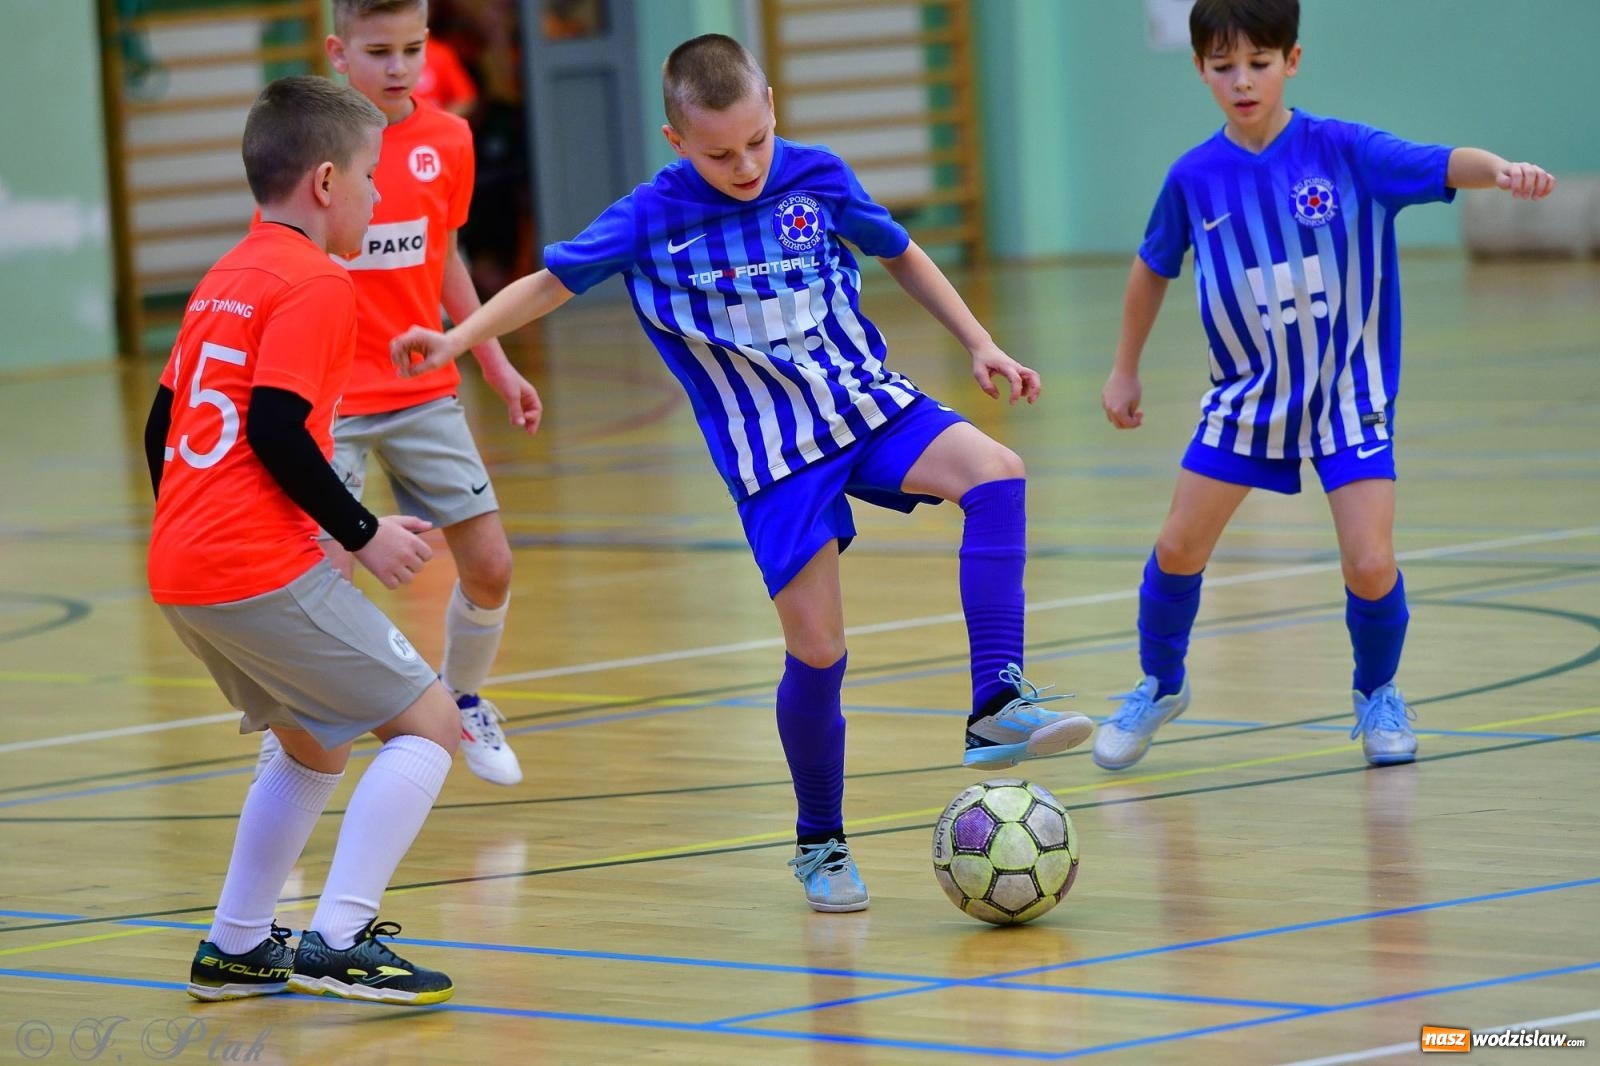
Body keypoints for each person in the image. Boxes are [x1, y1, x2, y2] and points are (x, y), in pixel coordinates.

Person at [390, 33, 1096, 913]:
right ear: (676, 139)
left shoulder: (817, 174)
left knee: (996, 472)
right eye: (721, 152)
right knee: (819, 649)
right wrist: (458, 342)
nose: (748, 163)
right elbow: (544, 284)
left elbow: (899, 251)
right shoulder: (650, 214)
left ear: (771, 110)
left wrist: (980, 341)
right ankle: (821, 842)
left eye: (758, 139)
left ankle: (997, 700)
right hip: (773, 456)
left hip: (864, 403)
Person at [1091, 0, 1555, 773]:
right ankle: (1160, 685)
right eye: (1222, 66)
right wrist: (1124, 367)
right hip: (1247, 399)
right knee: (1176, 547)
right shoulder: (1193, 178)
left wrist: (1499, 172)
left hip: (1348, 394)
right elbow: (1151, 269)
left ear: (1292, 62)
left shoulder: (1345, 151)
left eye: (1259, 64)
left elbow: (1444, 161)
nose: (1242, 81)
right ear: (1200, 68)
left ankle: (1377, 695)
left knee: (1370, 563)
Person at [147, 75, 456, 1004]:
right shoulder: (318, 281)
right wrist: (361, 533)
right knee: (431, 724)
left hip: (186, 569)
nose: (376, 197)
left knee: (314, 747)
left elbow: (163, 426)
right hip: (250, 566)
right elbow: (278, 428)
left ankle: (238, 945)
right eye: (369, 178)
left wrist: (197, 523)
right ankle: (340, 936)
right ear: (325, 182)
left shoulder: (228, 274)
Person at [256, 0, 542, 787]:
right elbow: (276, 264)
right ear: (338, 52)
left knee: (489, 563)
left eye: (412, 49)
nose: (399, 67)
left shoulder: (449, 139)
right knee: (322, 591)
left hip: (422, 391)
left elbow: (444, 256)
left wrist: (494, 359)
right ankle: (289, 739)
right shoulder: (310, 148)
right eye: (378, 51)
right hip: (330, 402)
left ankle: (464, 696)